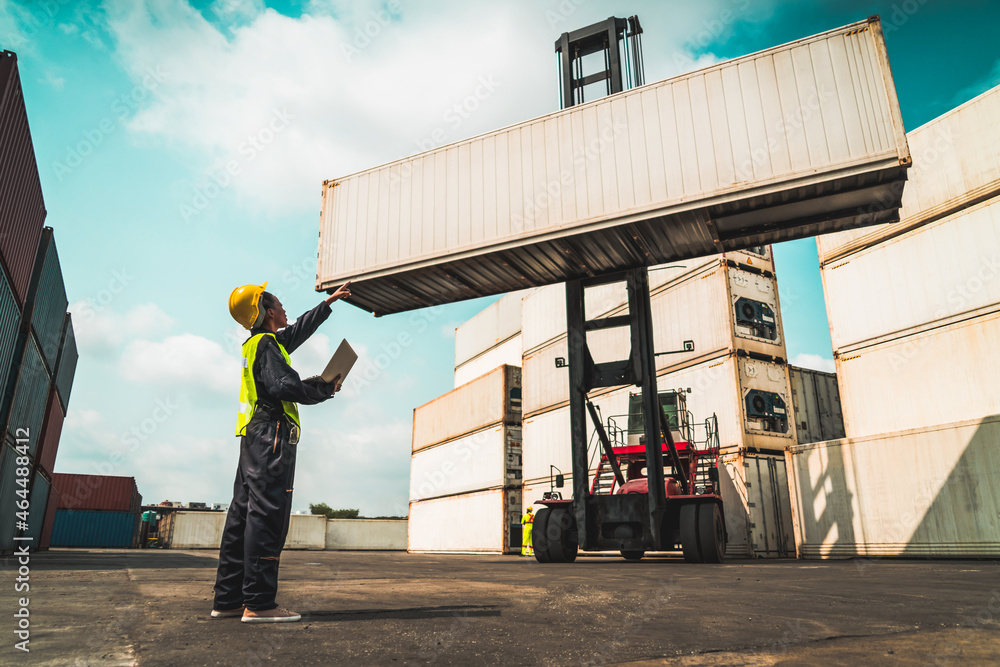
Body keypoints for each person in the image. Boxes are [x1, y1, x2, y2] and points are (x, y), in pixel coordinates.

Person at [212, 280, 351, 623]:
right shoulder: (268, 347)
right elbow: (285, 386)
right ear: (268, 310)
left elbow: (296, 332)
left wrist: (328, 304)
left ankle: (228, 600)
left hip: (253, 438)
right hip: (272, 436)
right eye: (280, 303)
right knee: (267, 516)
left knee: (242, 517)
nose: (286, 307)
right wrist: (324, 388)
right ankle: (259, 604)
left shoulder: (259, 343)